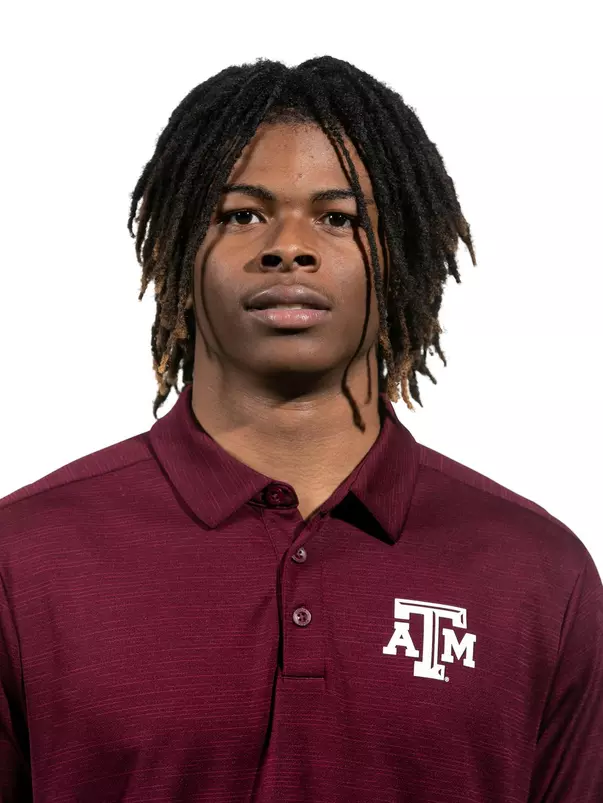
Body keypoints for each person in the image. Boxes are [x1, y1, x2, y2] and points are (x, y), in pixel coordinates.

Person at [0, 56, 601, 802]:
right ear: (178, 252)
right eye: (241, 214)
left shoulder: (538, 571)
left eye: (338, 217)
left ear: (404, 254)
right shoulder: (23, 557)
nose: (289, 246)